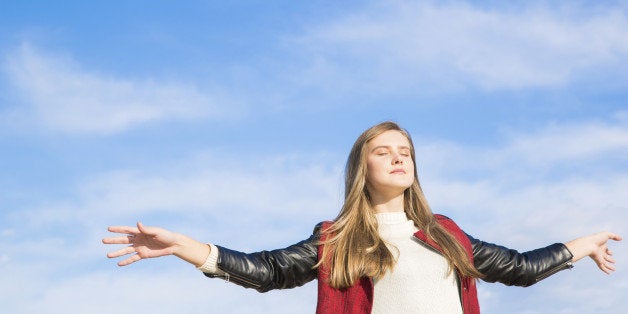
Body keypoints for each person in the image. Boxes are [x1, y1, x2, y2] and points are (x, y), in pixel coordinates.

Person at [103, 121, 621, 314]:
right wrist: (183, 247)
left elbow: (520, 267)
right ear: (362, 167)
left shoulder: (446, 233)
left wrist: (586, 241)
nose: (398, 158)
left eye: (406, 151)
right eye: (383, 151)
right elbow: (268, 270)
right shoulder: (338, 238)